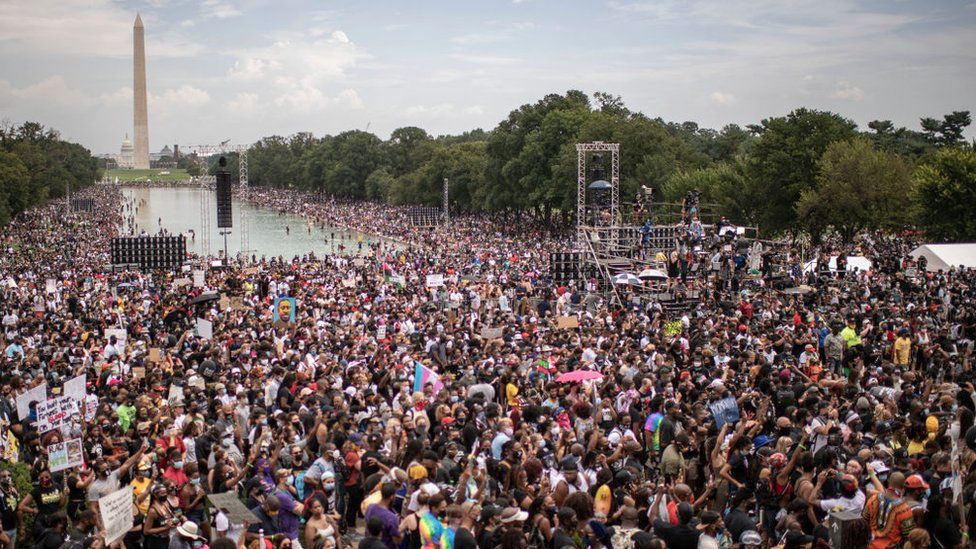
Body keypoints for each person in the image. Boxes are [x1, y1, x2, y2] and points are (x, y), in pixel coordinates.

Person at [363, 483, 400, 549]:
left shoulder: (370, 508)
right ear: (391, 497)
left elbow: (366, 530)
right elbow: (396, 541)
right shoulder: (392, 517)